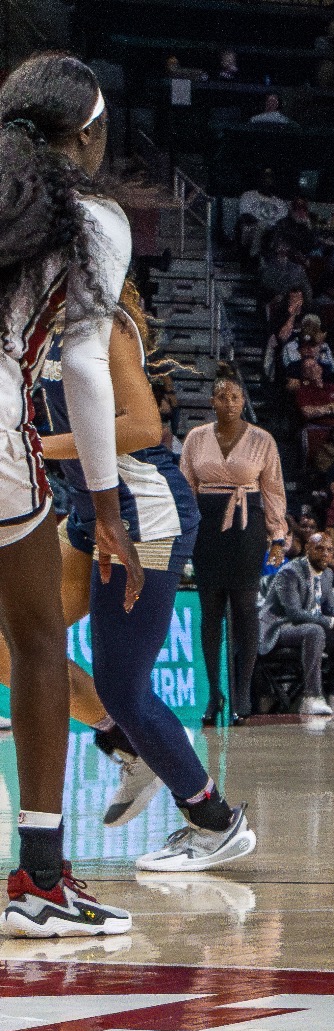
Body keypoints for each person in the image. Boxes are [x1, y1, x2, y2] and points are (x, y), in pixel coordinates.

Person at [5, 279, 251, 874]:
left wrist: (33, 446)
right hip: (92, 513)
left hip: (146, 514)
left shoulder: (102, 326)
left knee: (125, 684)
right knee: (13, 642)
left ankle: (215, 822)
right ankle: (127, 742)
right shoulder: (40, 331)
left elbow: (143, 426)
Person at [0, 53, 147, 937]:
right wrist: (102, 504)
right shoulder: (92, 218)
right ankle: (43, 878)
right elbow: (86, 369)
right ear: (88, 134)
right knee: (37, 638)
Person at [182, 376, 287, 725]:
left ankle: (242, 692)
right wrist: (183, 533)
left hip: (248, 522)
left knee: (244, 607)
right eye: (223, 397)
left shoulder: (262, 439)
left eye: (236, 397)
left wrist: (277, 536)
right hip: (206, 524)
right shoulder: (196, 438)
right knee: (210, 610)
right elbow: (186, 486)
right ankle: (214, 694)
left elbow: (273, 488)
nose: (229, 402)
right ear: (212, 401)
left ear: (243, 401)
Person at [260, 531, 334, 714]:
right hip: (278, 627)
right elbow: (295, 614)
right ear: (307, 549)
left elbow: (331, 608)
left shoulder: (327, 574)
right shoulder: (290, 572)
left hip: (308, 626)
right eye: (319, 548)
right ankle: (311, 697)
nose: (324, 553)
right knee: (315, 631)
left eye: (329, 550)